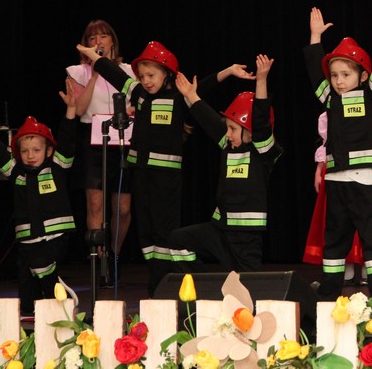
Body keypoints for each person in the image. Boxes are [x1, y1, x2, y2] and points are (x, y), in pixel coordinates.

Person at [76, 40, 245, 295]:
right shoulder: (139, 94)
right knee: (146, 232)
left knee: (165, 231)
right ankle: (156, 283)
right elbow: (115, 75)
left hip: (166, 180)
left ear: (166, 74)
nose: (146, 81)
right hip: (140, 175)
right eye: (142, 76)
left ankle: (167, 283)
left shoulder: (177, 97)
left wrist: (229, 71)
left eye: (151, 75)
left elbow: (204, 86)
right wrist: (95, 57)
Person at [304, 6, 372, 302]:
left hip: (363, 180)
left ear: (363, 76)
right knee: (334, 242)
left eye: (346, 74)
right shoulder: (331, 100)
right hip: (336, 182)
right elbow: (315, 73)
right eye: (334, 75)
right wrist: (315, 38)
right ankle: (328, 294)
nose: (339, 80)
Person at [0, 82, 78, 315]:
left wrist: (71, 110)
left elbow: (68, 139)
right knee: (27, 288)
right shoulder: (16, 173)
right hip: (27, 242)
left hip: (55, 237)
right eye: (25, 151)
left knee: (44, 269)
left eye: (36, 150)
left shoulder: (57, 168)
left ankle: (65, 308)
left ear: (49, 151)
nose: (30, 155)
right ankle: (30, 322)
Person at [168, 54, 282, 273]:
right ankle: (205, 285)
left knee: (247, 289)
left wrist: (261, 81)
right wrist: (191, 96)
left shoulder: (263, 152)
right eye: (227, 127)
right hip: (219, 230)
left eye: (233, 128)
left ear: (250, 132)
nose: (227, 133)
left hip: (245, 238)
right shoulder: (228, 145)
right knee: (178, 240)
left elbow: (260, 120)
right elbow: (208, 119)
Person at [67, 19, 133, 287]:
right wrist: (95, 73)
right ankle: (100, 261)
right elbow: (80, 109)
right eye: (92, 38)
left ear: (112, 41)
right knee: (95, 204)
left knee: (123, 208)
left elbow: (139, 100)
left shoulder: (129, 71)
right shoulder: (77, 72)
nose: (98, 42)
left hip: (123, 138)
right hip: (91, 140)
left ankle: (114, 254)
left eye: (103, 36)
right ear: (86, 45)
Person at [303, 111, 372, 285]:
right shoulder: (329, 111)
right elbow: (328, 144)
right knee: (340, 223)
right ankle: (346, 270)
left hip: (367, 170)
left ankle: (369, 271)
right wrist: (318, 170)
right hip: (337, 172)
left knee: (369, 223)